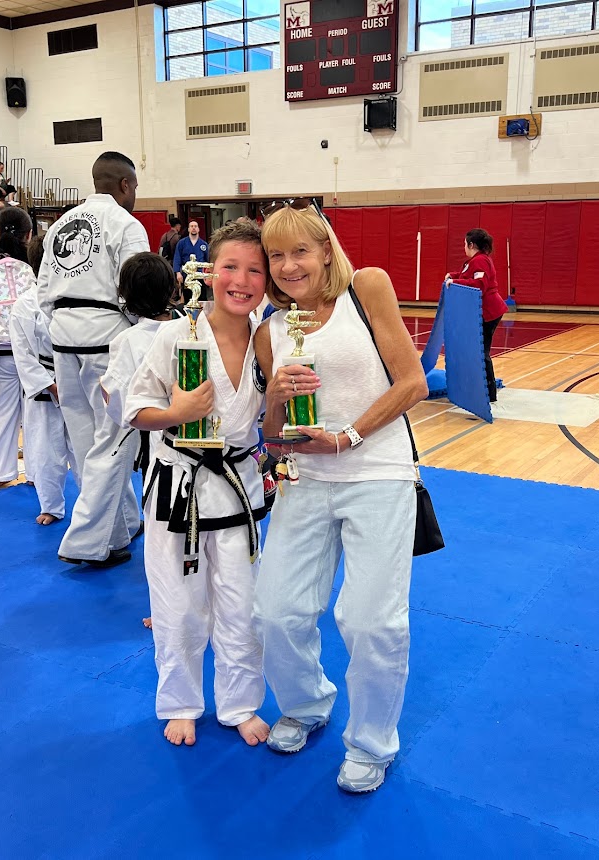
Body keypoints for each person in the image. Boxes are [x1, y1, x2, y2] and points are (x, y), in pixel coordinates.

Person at [251, 201, 428, 794]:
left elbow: (413, 382)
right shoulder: (270, 329)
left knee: (372, 621)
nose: (288, 266)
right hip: (304, 479)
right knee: (274, 609)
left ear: (326, 249)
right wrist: (275, 395)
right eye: (276, 255)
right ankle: (305, 703)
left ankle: (373, 743)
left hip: (378, 472)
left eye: (299, 250)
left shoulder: (366, 288)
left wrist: (348, 436)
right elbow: (273, 436)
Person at [125, 220, 270, 749]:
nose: (241, 280)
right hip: (177, 490)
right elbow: (133, 409)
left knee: (240, 603)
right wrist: (176, 411)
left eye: (255, 270)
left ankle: (240, 703)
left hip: (237, 489)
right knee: (179, 604)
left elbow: (271, 419)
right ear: (209, 273)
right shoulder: (174, 334)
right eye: (230, 266)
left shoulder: (270, 340)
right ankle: (181, 701)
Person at [37, 150, 150, 567]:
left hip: (63, 340)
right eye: (135, 187)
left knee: (86, 446)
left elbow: (43, 287)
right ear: (123, 185)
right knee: (115, 443)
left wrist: (62, 326)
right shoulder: (126, 223)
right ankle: (87, 543)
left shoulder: (61, 224)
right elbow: (136, 288)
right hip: (108, 343)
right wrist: (141, 334)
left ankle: (121, 527)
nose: (135, 194)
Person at [99, 252, 181, 629]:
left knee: (162, 532)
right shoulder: (193, 325)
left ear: (125, 296)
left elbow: (116, 400)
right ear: (174, 288)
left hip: (158, 446)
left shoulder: (128, 340)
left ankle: (165, 610)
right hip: (202, 441)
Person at [9, 235, 75, 524]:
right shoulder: (24, 305)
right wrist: (50, 385)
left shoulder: (74, 297)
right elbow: (23, 355)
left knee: (84, 449)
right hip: (45, 384)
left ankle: (95, 506)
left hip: (76, 379)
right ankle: (51, 506)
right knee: (46, 450)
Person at [0, 207, 35, 490]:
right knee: (37, 419)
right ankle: (39, 474)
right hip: (34, 355)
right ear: (29, 234)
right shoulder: (37, 262)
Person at [445, 228, 508, 403]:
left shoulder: (480, 260)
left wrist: (455, 282)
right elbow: (468, 276)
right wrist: (453, 275)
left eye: (465, 244)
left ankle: (490, 393)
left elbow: (479, 284)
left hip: (489, 312)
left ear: (471, 244)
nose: (463, 247)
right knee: (477, 351)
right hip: (481, 312)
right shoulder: (473, 261)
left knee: (482, 352)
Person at [173, 220, 209, 295]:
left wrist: (208, 274)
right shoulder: (182, 243)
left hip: (200, 275)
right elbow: (177, 258)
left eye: (195, 226)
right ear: (188, 229)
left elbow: (207, 260)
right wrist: (178, 273)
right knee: (188, 297)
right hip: (187, 275)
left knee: (201, 296)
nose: (193, 228)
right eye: (191, 226)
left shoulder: (204, 244)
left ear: (198, 229)